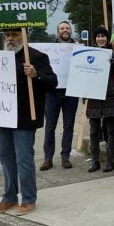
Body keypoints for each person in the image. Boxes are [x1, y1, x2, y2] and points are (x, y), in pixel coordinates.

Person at [0, 29, 58, 216]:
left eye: (14, 34)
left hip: (25, 118)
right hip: (2, 117)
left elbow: (52, 82)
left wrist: (36, 75)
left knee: (23, 159)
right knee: (6, 159)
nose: (10, 38)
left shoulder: (37, 57)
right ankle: (9, 197)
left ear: (24, 36)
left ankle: (28, 199)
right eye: (7, 35)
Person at [41, 20, 79, 170]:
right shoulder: (49, 49)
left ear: (70, 31)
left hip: (71, 92)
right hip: (52, 92)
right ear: (58, 31)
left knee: (68, 126)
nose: (65, 30)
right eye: (62, 28)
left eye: (67, 28)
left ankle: (65, 157)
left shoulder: (77, 48)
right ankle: (48, 158)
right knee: (50, 126)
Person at [86, 27, 114, 173]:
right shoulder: (89, 53)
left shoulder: (112, 54)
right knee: (94, 130)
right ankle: (95, 161)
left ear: (107, 39)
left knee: (111, 129)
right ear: (95, 38)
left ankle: (109, 161)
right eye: (98, 36)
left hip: (110, 94)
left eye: (103, 36)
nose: (101, 38)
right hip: (94, 95)